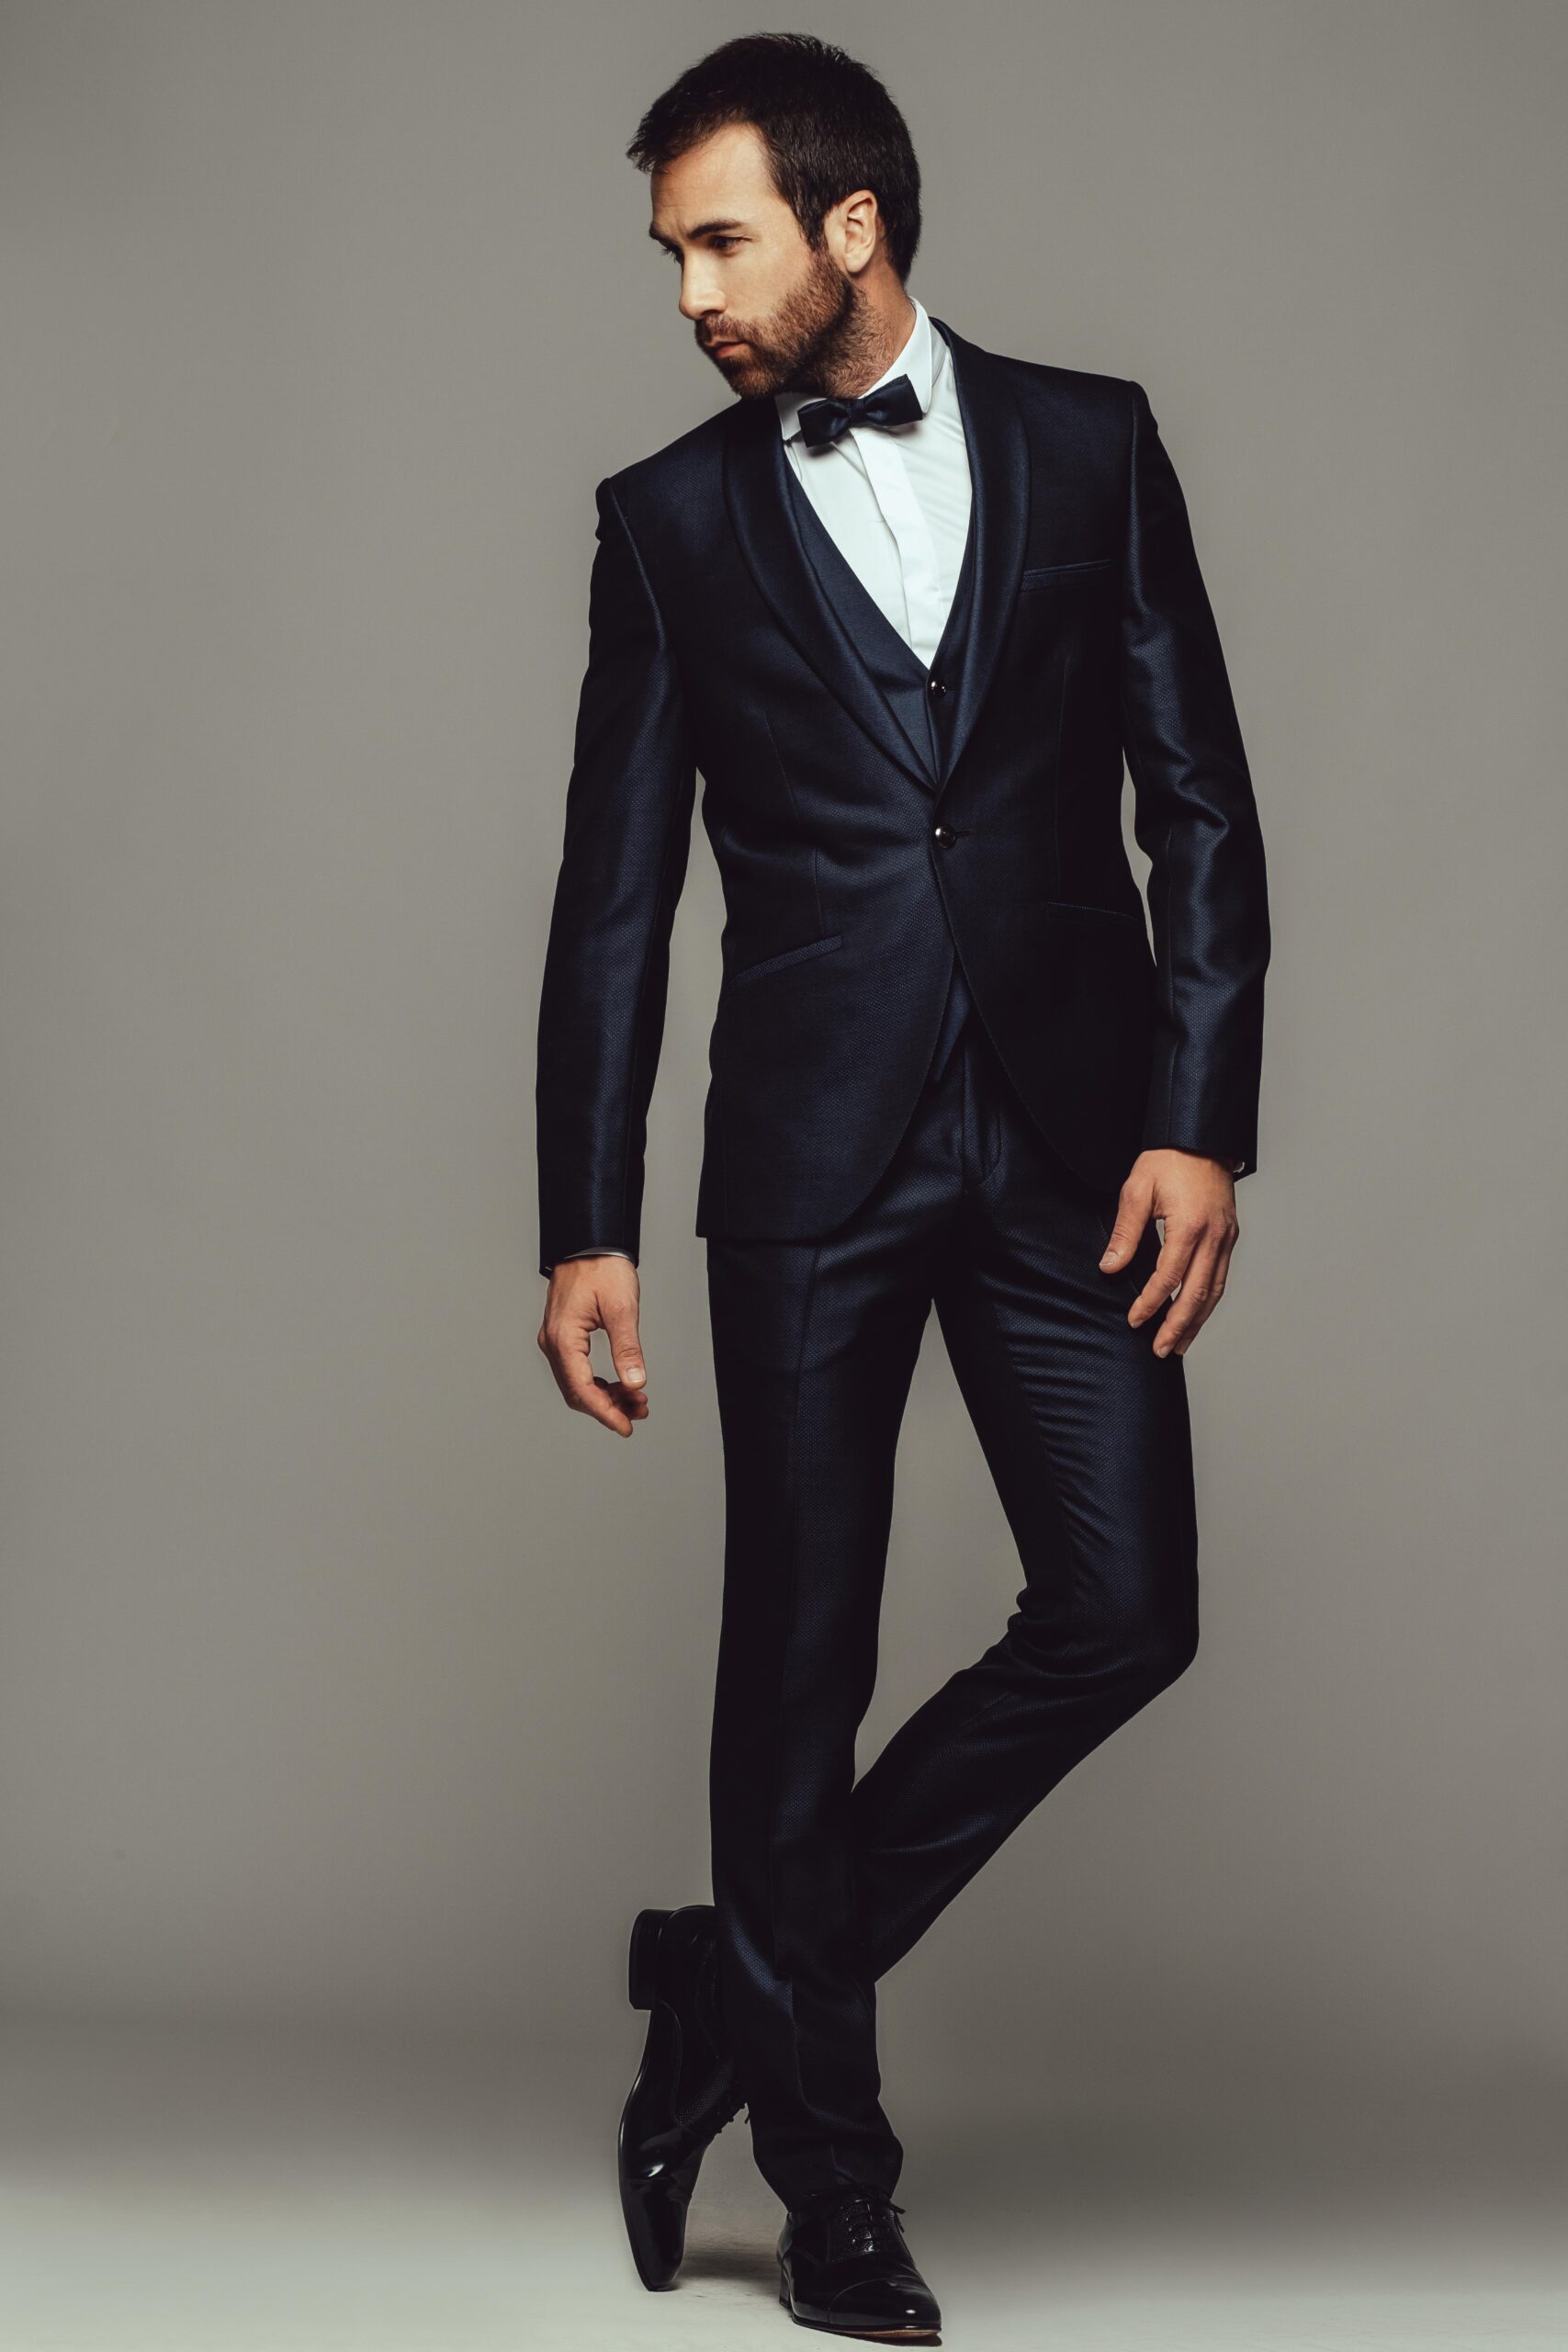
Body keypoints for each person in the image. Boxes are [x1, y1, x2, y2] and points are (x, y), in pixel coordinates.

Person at [535, 32, 1269, 2341]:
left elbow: (1198, 800)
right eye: (669, 253)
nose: (686, 294)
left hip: (1066, 1140)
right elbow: (613, 900)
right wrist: (581, 1218)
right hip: (810, 1156)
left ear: (850, 225)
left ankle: (725, 1985)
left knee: (1122, 1605)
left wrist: (1198, 1113)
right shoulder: (667, 520)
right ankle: (829, 2186)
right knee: (796, 1656)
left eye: (718, 241)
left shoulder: (1087, 443)